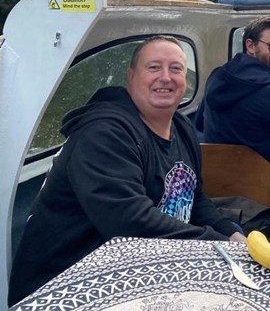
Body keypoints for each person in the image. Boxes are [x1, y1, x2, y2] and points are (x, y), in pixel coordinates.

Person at [8, 35, 245, 307]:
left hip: (141, 266)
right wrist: (218, 245)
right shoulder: (104, 134)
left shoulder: (182, 128)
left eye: (176, 68)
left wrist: (230, 233)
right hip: (69, 285)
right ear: (131, 76)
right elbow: (131, 221)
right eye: (154, 67)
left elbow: (195, 197)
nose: (166, 77)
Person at [195, 16, 270, 161]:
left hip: (218, 177)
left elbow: (199, 123)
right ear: (250, 46)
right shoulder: (266, 91)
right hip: (260, 180)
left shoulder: (217, 77)